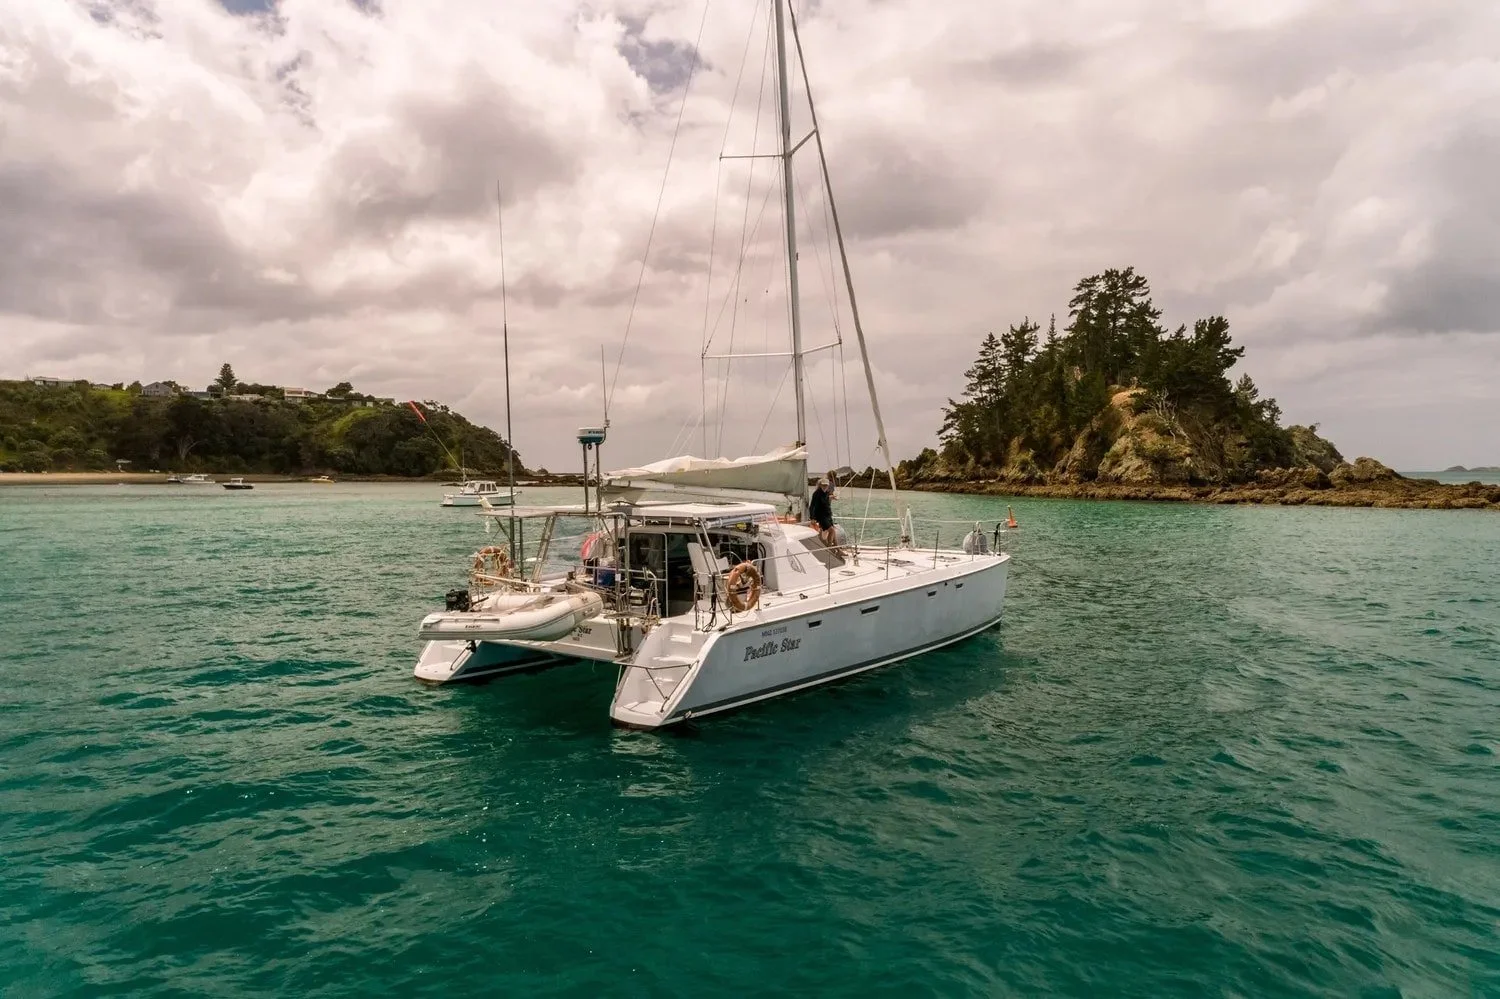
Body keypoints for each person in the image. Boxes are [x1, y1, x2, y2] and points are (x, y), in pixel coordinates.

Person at [809, 476, 836, 546]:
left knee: (834, 532)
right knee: (832, 530)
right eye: (823, 485)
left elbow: (825, 501)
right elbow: (812, 506)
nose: (824, 486)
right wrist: (812, 518)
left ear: (828, 485)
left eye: (826, 485)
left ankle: (837, 549)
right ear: (820, 485)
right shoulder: (816, 494)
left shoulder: (827, 493)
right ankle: (829, 547)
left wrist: (830, 498)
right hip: (821, 516)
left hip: (828, 515)